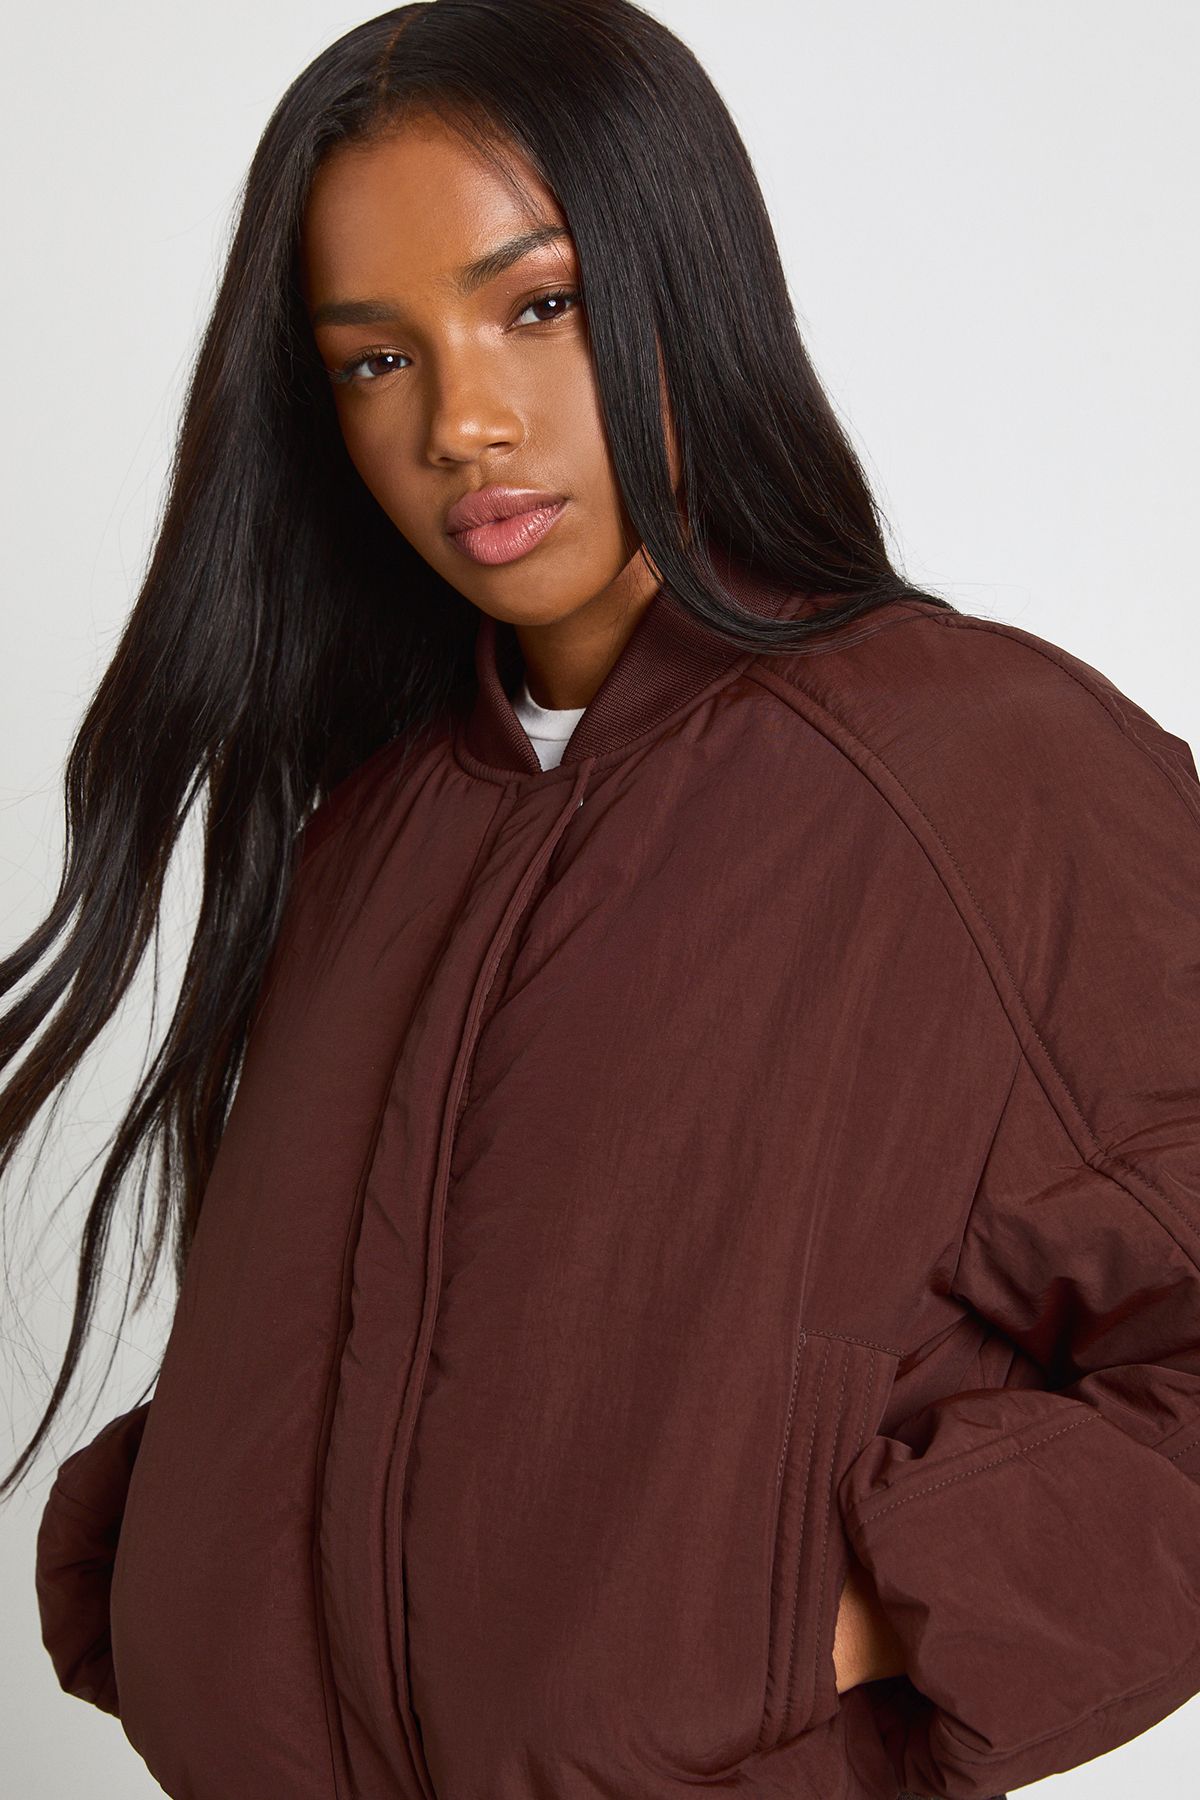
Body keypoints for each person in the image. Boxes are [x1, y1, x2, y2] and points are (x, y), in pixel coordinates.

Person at [6, 3, 1198, 1797]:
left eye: (539, 306)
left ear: (682, 280)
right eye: (375, 360)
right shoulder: (374, 826)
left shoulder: (973, 772)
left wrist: (837, 1606)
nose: (464, 423)